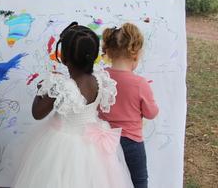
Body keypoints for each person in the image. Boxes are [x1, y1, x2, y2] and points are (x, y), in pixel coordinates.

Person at [12, 22, 133, 188]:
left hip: (62, 148)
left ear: (63, 57)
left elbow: (37, 113)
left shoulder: (61, 85)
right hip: (92, 149)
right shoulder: (99, 80)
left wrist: (41, 89)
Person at [99, 23, 159, 188]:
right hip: (131, 142)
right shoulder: (139, 83)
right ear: (136, 53)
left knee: (107, 181)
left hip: (104, 140)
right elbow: (151, 113)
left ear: (108, 51)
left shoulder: (101, 78)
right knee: (139, 181)